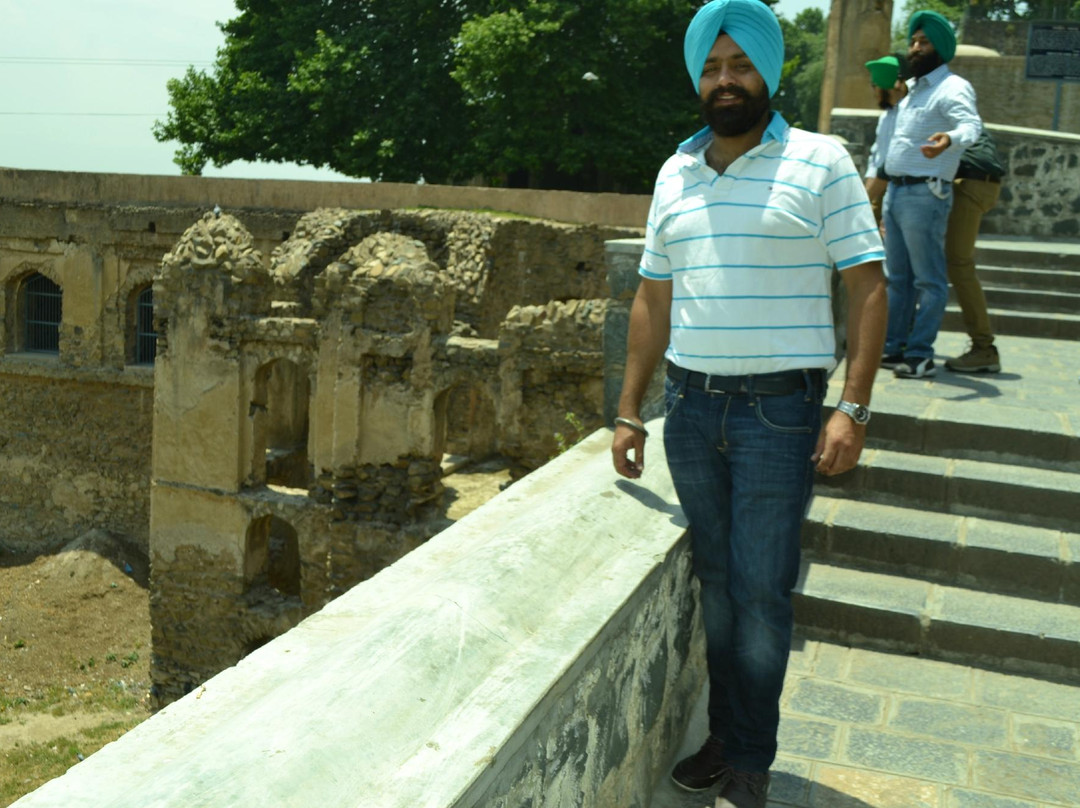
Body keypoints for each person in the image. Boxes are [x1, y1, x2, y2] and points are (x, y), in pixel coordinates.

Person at [609, 2, 887, 806]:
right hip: (691, 410)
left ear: (769, 71)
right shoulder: (675, 171)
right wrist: (631, 409)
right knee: (719, 585)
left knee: (761, 590)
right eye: (711, 67)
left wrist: (853, 408)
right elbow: (651, 299)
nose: (724, 80)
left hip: (779, 413)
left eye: (739, 65)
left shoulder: (820, 159)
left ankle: (752, 754)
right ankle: (726, 736)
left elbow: (868, 289)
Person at [880, 10, 981, 379]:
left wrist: (949, 140)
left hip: (925, 194)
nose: (915, 47)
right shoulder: (912, 92)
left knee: (928, 280)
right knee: (898, 280)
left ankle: (920, 354)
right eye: (914, 41)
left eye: (923, 42)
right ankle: (894, 347)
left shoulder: (952, 87)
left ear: (940, 48)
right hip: (897, 192)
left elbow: (972, 126)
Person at [944, 128, 1005, 372]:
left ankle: (984, 348)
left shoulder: (939, 97)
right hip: (976, 180)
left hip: (970, 181)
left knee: (959, 265)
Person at [863, 54, 912, 225]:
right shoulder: (885, 117)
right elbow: (876, 157)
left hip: (897, 190)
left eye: (874, 86)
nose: (873, 92)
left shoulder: (908, 114)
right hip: (877, 187)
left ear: (885, 87)